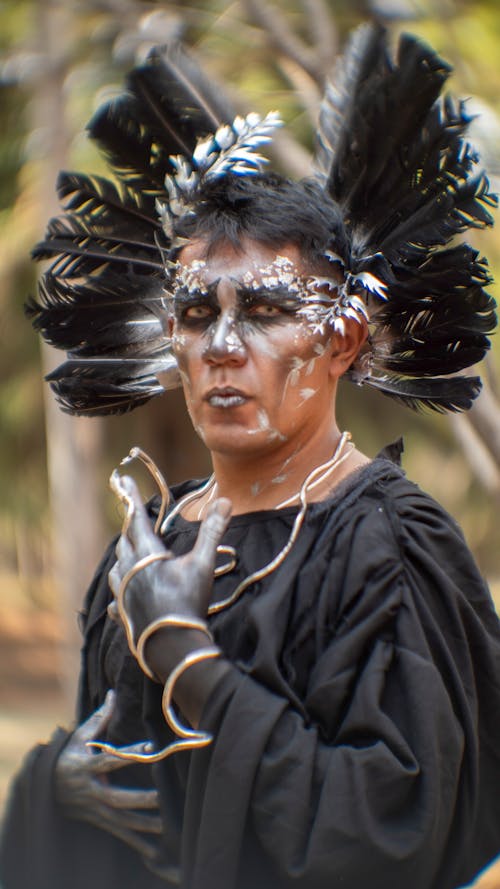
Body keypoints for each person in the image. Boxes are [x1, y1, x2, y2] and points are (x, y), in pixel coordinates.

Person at [1, 24, 499, 889]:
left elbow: (394, 836)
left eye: (265, 312)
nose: (223, 346)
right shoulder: (150, 539)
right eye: (197, 315)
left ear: (341, 337)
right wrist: (57, 786)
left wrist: (188, 656)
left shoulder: (393, 552)